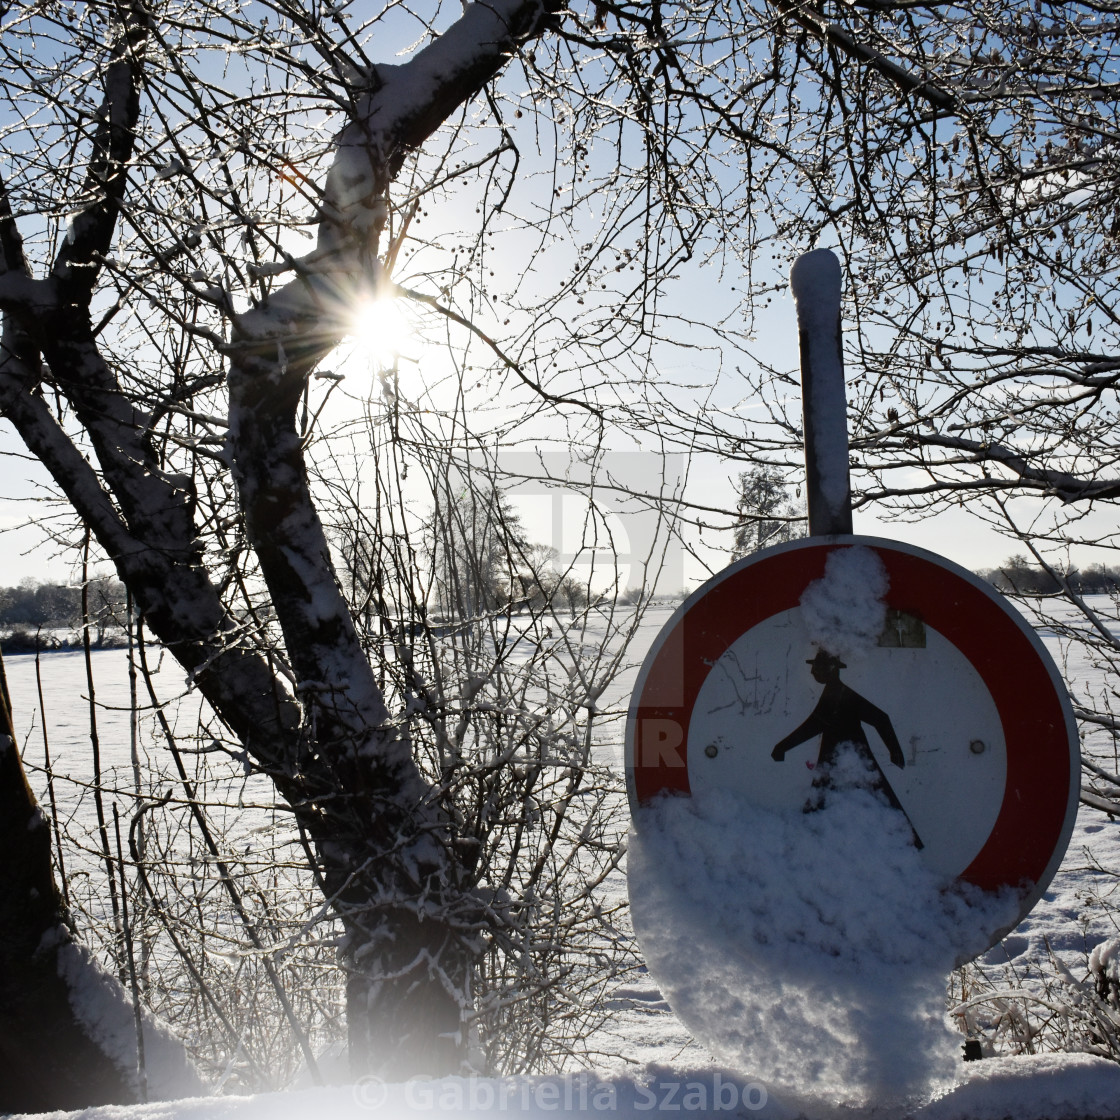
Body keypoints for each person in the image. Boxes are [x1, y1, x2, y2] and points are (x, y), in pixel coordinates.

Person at [771, 648, 923, 848]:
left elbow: (879, 719)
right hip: (841, 757)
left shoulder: (840, 695)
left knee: (871, 799)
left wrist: (894, 751)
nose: (812, 672)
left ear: (831, 670)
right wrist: (782, 747)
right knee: (871, 799)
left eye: (818, 668)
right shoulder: (834, 693)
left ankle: (806, 845)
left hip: (851, 758)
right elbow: (814, 725)